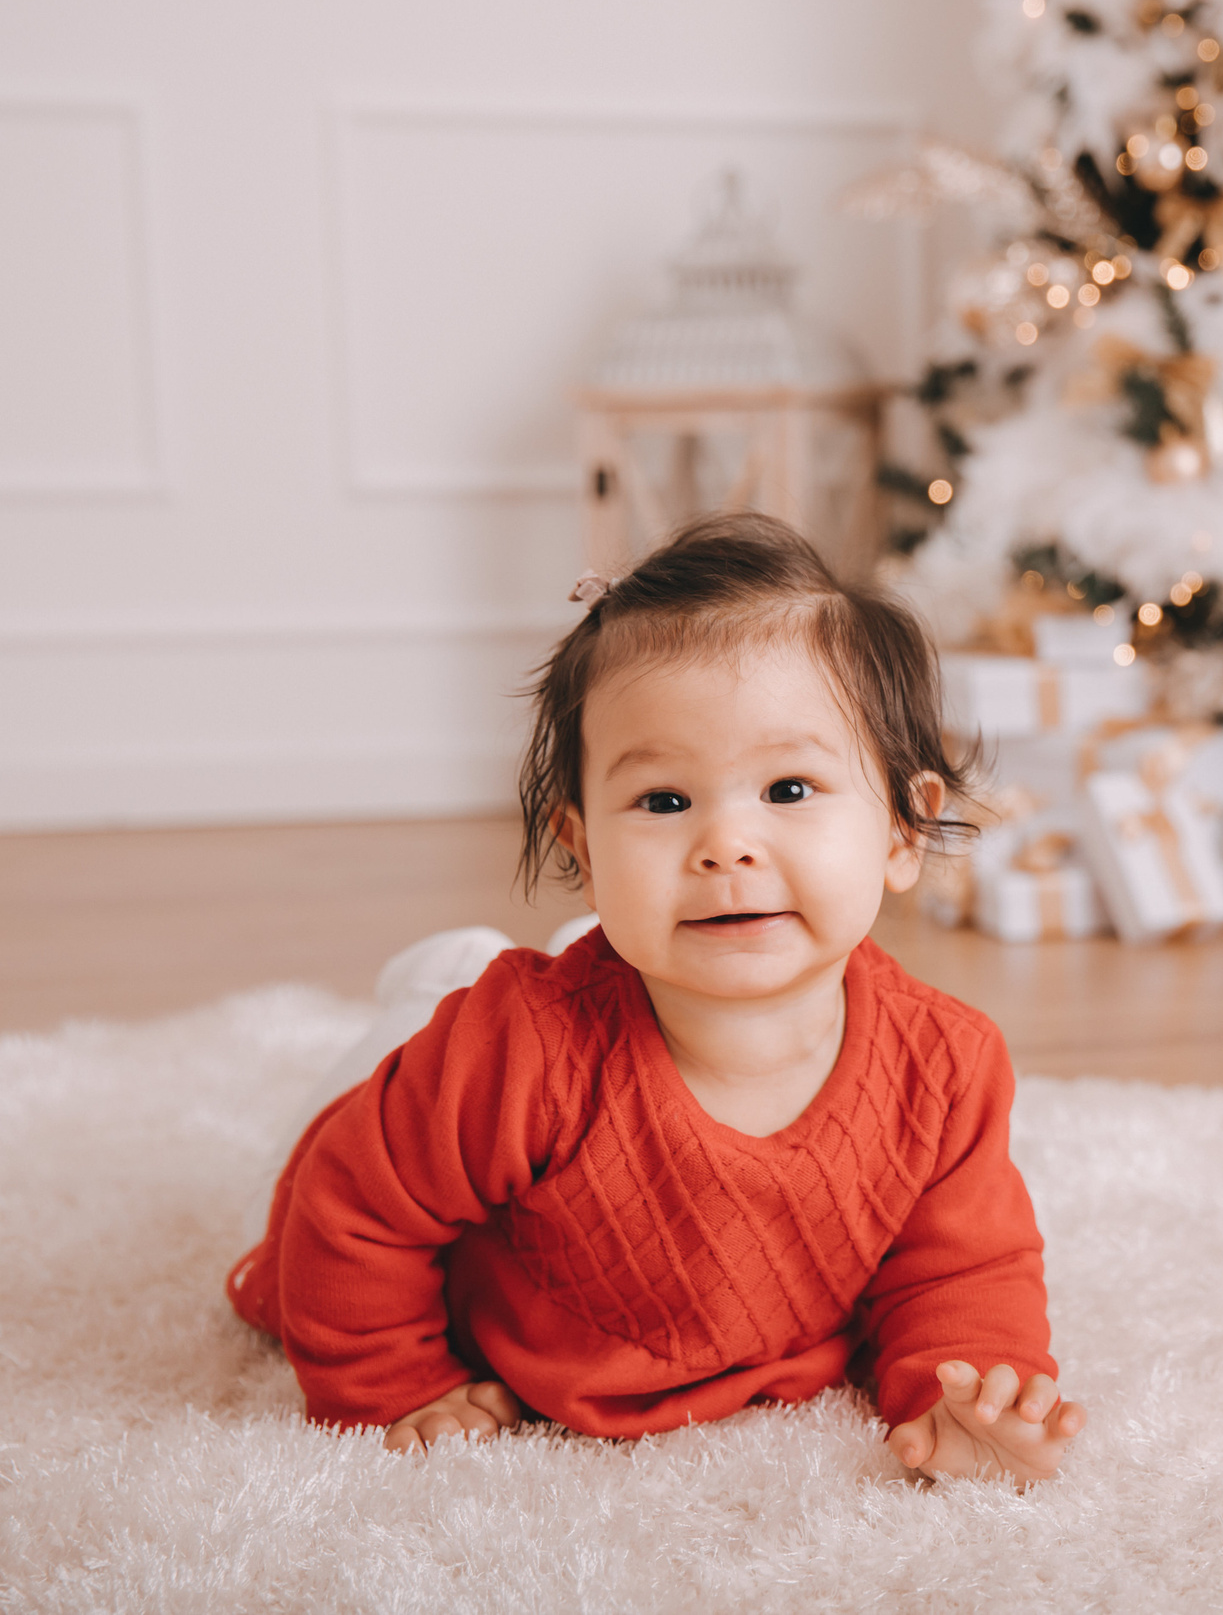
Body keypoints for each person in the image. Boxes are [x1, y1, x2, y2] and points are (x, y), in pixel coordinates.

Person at [226, 513, 1081, 1483]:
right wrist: (398, 1386)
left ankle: (465, 969)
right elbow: (350, 1209)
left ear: (901, 832)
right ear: (585, 851)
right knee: (311, 1160)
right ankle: (435, 982)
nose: (726, 845)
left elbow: (961, 1272)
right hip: (465, 1089)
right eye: (665, 802)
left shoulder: (945, 1067)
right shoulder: (519, 1049)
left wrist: (964, 1395)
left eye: (790, 789)